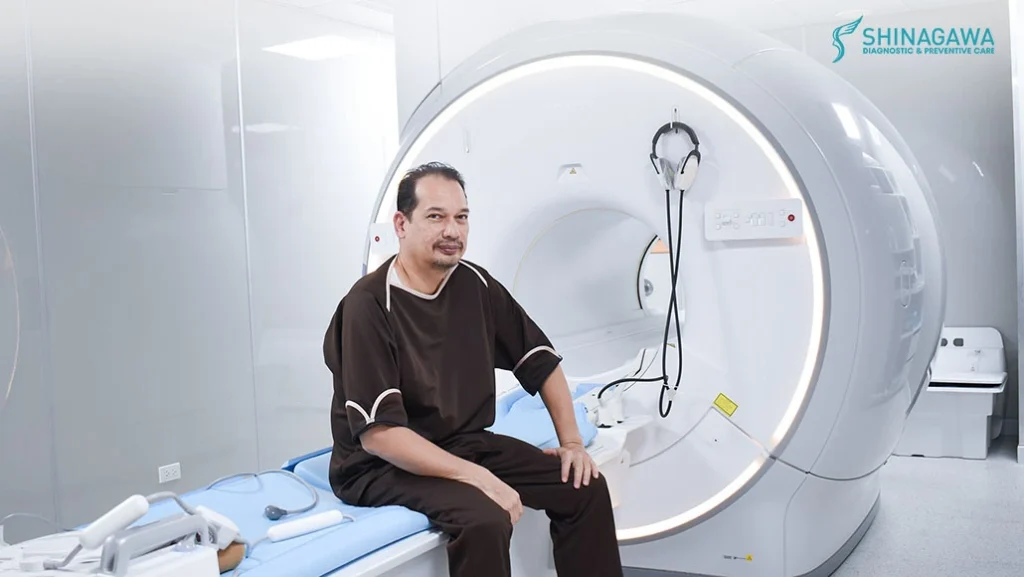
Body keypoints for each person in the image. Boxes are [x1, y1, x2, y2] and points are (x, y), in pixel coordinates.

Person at [323, 161, 624, 577]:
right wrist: (480, 478)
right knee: (484, 518)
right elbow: (381, 437)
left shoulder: (475, 284)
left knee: (584, 487)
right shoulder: (369, 305)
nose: (453, 231)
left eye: (461, 217)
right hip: (379, 467)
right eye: (436, 217)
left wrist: (571, 443)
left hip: (464, 442)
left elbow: (542, 361)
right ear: (401, 223)